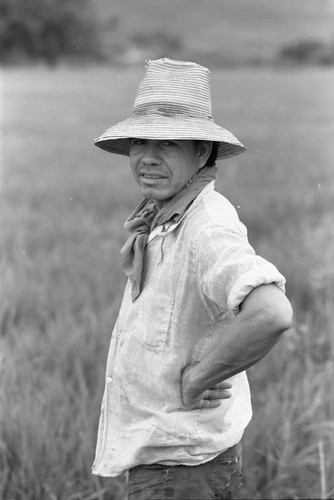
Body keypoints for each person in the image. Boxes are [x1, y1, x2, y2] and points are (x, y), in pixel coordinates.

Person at [92, 58, 293, 500]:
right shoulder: (166, 217)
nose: (147, 157)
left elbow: (271, 311)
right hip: (173, 461)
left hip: (180, 471)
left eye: (167, 144)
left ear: (202, 152)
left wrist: (198, 378)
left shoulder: (206, 227)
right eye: (140, 141)